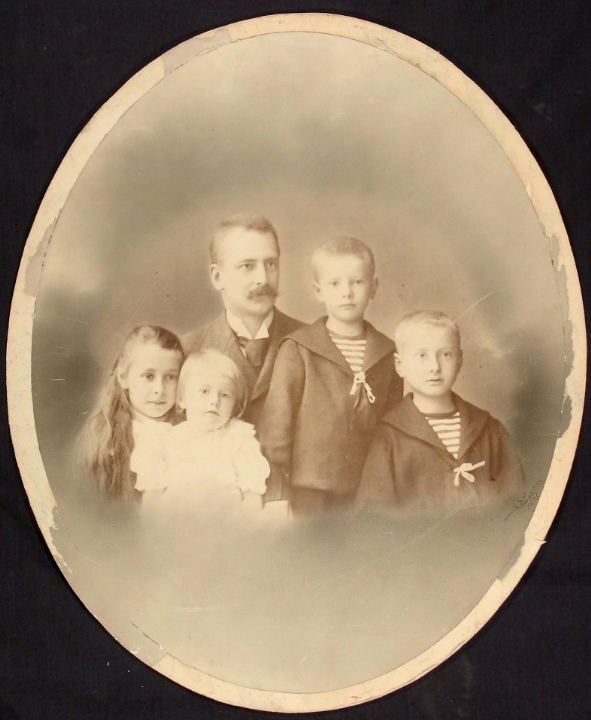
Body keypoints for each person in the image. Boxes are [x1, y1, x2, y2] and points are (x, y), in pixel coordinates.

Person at [258, 237, 403, 516]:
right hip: (308, 492)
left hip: (368, 492)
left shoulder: (387, 353)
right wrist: (278, 494)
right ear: (318, 291)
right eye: (335, 284)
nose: (346, 292)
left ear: (373, 287)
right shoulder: (299, 348)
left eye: (357, 282)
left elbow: (393, 428)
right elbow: (276, 430)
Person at [356, 311, 524, 514]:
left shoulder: (490, 430)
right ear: (400, 366)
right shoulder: (388, 438)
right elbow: (373, 519)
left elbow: (517, 507)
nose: (434, 367)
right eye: (422, 355)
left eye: (445, 354)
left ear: (459, 360)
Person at [181, 215, 304, 442]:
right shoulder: (186, 350)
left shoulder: (311, 342)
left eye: (271, 264)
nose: (263, 279)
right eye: (248, 266)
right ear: (218, 277)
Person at [143, 349, 270, 520]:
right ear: (182, 399)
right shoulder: (166, 441)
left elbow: (252, 499)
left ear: (234, 405)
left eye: (225, 395)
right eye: (204, 391)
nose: (214, 401)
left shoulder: (239, 440)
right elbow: (152, 500)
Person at [77, 325, 184, 501]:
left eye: (170, 377)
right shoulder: (103, 440)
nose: (159, 389)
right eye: (148, 376)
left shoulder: (188, 432)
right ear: (124, 378)